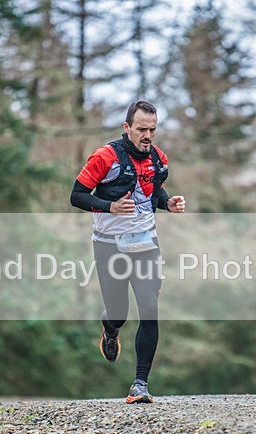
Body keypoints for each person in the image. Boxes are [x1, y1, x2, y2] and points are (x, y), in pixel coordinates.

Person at [70, 100, 185, 403]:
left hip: (146, 242)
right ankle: (110, 328)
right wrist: (110, 206)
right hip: (109, 244)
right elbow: (77, 195)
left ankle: (140, 384)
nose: (148, 136)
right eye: (142, 129)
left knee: (149, 308)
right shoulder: (105, 157)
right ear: (127, 128)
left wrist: (168, 202)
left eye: (152, 130)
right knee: (118, 311)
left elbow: (153, 193)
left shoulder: (159, 159)